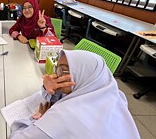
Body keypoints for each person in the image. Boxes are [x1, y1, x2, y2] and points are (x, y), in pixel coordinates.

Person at [10, 50, 140, 139]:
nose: (56, 75)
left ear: (83, 76)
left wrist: (38, 118)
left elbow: (16, 136)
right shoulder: (114, 95)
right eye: (58, 68)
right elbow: (62, 96)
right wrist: (47, 88)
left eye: (63, 70)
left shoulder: (63, 116)